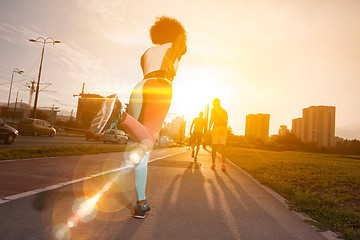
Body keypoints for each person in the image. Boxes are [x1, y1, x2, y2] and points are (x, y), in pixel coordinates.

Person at [101, 16, 187, 218]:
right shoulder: (176, 45)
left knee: (141, 148)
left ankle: (141, 203)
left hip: (139, 87)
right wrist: (179, 32)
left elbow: (148, 72)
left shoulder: (146, 53)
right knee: (147, 141)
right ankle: (120, 115)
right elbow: (182, 40)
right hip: (161, 86)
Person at [209, 98, 228, 171]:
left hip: (216, 128)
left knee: (214, 146)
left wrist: (209, 128)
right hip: (223, 128)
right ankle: (223, 165)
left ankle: (213, 164)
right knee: (223, 147)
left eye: (213, 103)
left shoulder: (213, 109)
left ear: (216, 103)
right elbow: (226, 122)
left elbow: (211, 119)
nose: (213, 105)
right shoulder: (224, 111)